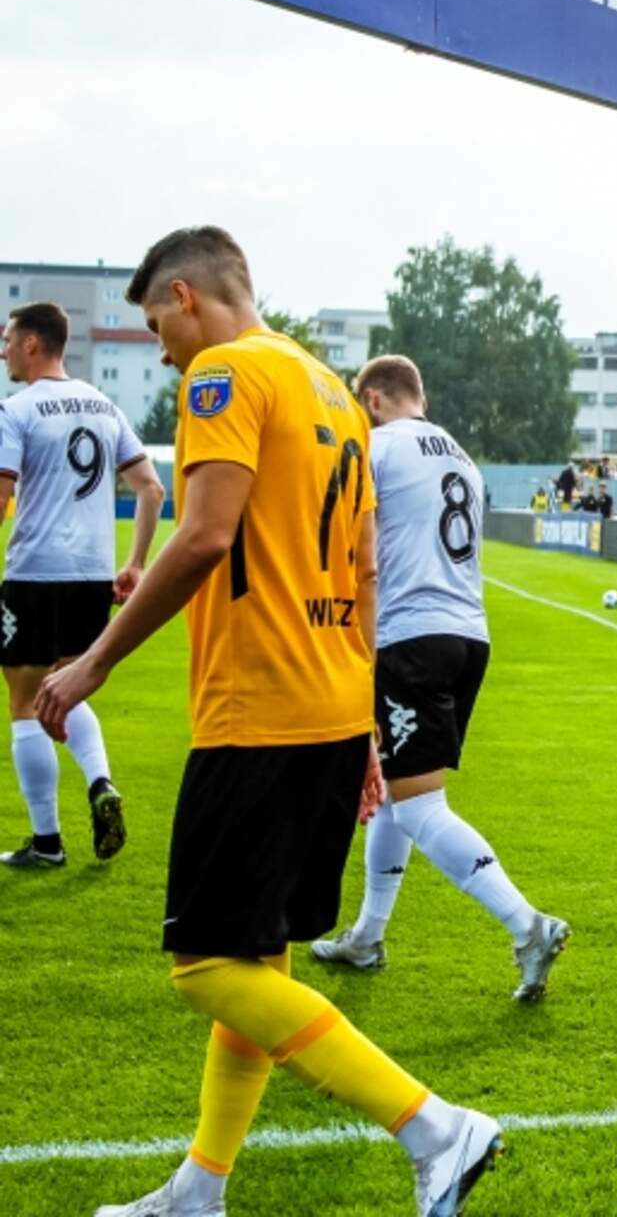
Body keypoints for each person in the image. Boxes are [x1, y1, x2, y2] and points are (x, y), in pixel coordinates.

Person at [38, 227, 499, 1216]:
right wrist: (366, 725)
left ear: (187, 296)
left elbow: (205, 534)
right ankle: (199, 1190)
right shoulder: (333, 390)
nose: (162, 349)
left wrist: (94, 659)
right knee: (256, 960)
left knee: (207, 967)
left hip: (260, 709)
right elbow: (365, 571)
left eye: (156, 322)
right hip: (329, 704)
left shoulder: (227, 375)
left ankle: (435, 1127)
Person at [310, 355, 570, 1001]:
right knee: (394, 793)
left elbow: (348, 543)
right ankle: (368, 936)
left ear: (372, 399)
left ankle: (527, 925)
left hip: (410, 636)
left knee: (420, 805)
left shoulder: (376, 447)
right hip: (468, 636)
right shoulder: (463, 459)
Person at [0, 302, 165, 868]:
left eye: (8, 340)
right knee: (68, 688)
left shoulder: (16, 409)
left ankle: (47, 842)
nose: (3, 350)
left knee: (25, 703)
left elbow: (2, 498)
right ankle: (100, 783)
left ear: (31, 343)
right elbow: (151, 488)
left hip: (35, 572)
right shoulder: (103, 403)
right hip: (93, 576)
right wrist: (135, 562)